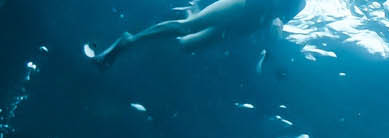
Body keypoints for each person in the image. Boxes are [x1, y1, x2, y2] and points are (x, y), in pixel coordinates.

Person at [87, 0, 307, 69]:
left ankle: (193, 8)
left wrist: (276, 30)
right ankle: (128, 41)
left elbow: (279, 22)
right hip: (244, 6)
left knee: (186, 44)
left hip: (244, 26)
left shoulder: (301, 4)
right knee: (189, 26)